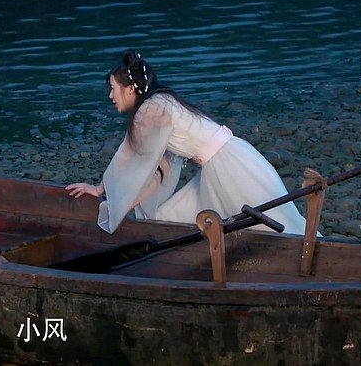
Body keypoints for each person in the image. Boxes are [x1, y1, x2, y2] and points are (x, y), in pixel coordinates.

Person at [66, 50, 315, 236]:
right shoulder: (160, 102)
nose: (111, 96)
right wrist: (120, 202)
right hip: (229, 158)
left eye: (113, 88)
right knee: (170, 218)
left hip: (229, 168)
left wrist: (100, 191)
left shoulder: (151, 110)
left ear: (130, 89)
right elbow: (157, 168)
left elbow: (131, 157)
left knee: (274, 226)